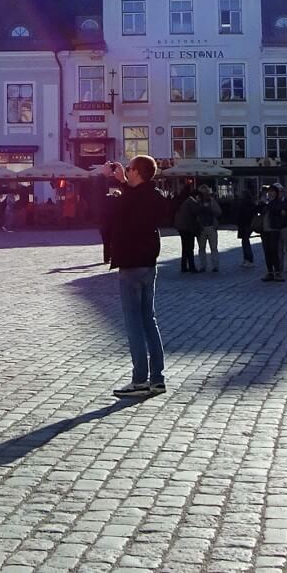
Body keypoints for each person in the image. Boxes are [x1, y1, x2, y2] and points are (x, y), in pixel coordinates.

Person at [102, 156, 167, 398]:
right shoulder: (155, 195)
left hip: (131, 265)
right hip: (149, 264)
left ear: (138, 173)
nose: (126, 172)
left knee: (134, 324)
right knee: (149, 320)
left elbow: (121, 210)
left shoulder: (133, 198)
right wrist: (122, 183)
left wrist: (113, 180)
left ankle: (140, 379)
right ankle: (157, 378)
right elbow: (138, 201)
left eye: (129, 169)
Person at [257, 185, 287, 282]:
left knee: (274, 250)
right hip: (264, 229)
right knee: (267, 251)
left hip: (274, 229)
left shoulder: (277, 202)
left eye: (273, 191)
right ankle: (270, 272)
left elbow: (278, 210)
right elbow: (257, 210)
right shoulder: (264, 202)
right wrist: (261, 203)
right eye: (269, 191)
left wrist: (267, 203)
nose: (270, 193)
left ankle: (277, 272)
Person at [175, 186, 202, 274]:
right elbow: (197, 212)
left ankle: (184, 266)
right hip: (187, 228)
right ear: (196, 196)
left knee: (185, 247)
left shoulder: (186, 201)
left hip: (181, 227)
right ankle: (191, 267)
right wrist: (200, 204)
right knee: (190, 248)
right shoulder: (191, 202)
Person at [197, 186, 221, 273]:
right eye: (203, 193)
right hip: (202, 228)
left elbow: (219, 212)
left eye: (206, 193)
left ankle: (215, 266)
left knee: (213, 247)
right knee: (201, 248)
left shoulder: (212, 201)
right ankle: (203, 266)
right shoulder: (198, 202)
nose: (205, 195)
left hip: (211, 226)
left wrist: (211, 209)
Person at [235, 186, 258, 267]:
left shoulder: (244, 203)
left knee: (245, 241)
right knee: (245, 241)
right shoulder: (250, 203)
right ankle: (246, 259)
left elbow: (243, 214)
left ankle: (249, 259)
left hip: (245, 224)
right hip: (246, 224)